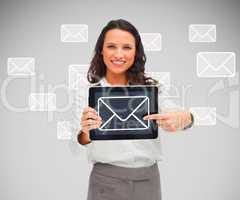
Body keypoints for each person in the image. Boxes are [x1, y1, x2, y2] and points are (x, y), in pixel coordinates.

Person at [75, 19, 194, 200]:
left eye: (127, 47)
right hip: (106, 181)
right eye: (111, 46)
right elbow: (77, 142)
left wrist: (187, 117)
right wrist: (86, 132)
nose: (119, 54)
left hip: (149, 179)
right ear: (101, 50)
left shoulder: (152, 88)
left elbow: (176, 115)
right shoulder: (87, 91)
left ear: (136, 51)